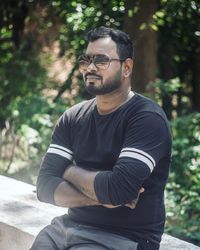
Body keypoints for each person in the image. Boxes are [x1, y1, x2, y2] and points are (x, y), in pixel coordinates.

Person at [30, 26, 172, 250]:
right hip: (65, 229)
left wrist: (67, 171)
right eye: (86, 60)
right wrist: (101, 197)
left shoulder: (147, 118)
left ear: (126, 67)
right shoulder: (73, 117)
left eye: (101, 60)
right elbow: (45, 187)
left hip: (123, 239)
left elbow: (118, 190)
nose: (90, 67)